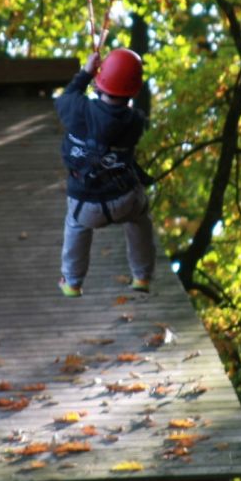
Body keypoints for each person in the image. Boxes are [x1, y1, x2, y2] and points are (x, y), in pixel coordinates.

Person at [55, 47, 156, 297]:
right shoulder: (135, 122)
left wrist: (86, 73)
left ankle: (72, 282)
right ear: (134, 90)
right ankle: (142, 277)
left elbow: (65, 98)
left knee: (75, 225)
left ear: (100, 81)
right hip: (124, 200)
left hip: (86, 205)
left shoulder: (77, 109)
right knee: (140, 219)